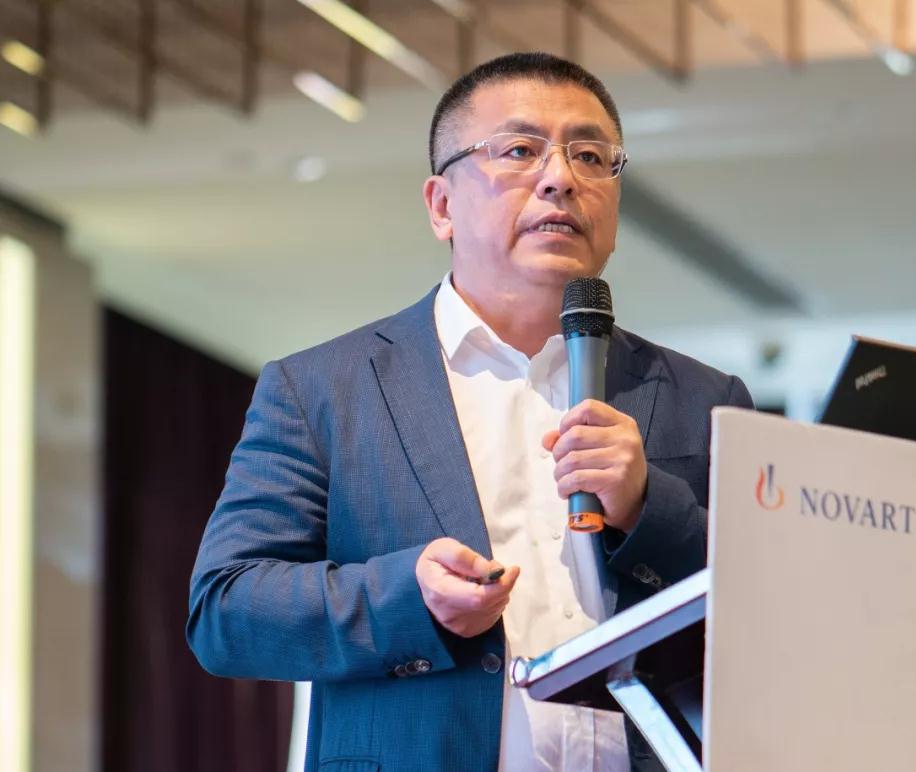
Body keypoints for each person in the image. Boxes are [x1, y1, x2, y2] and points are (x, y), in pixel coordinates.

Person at [187, 52, 753, 772]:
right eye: (518, 150)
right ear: (442, 206)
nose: (560, 178)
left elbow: (768, 618)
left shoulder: (705, 398)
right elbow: (226, 612)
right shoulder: (324, 390)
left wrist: (651, 508)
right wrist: (407, 597)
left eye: (590, 156)